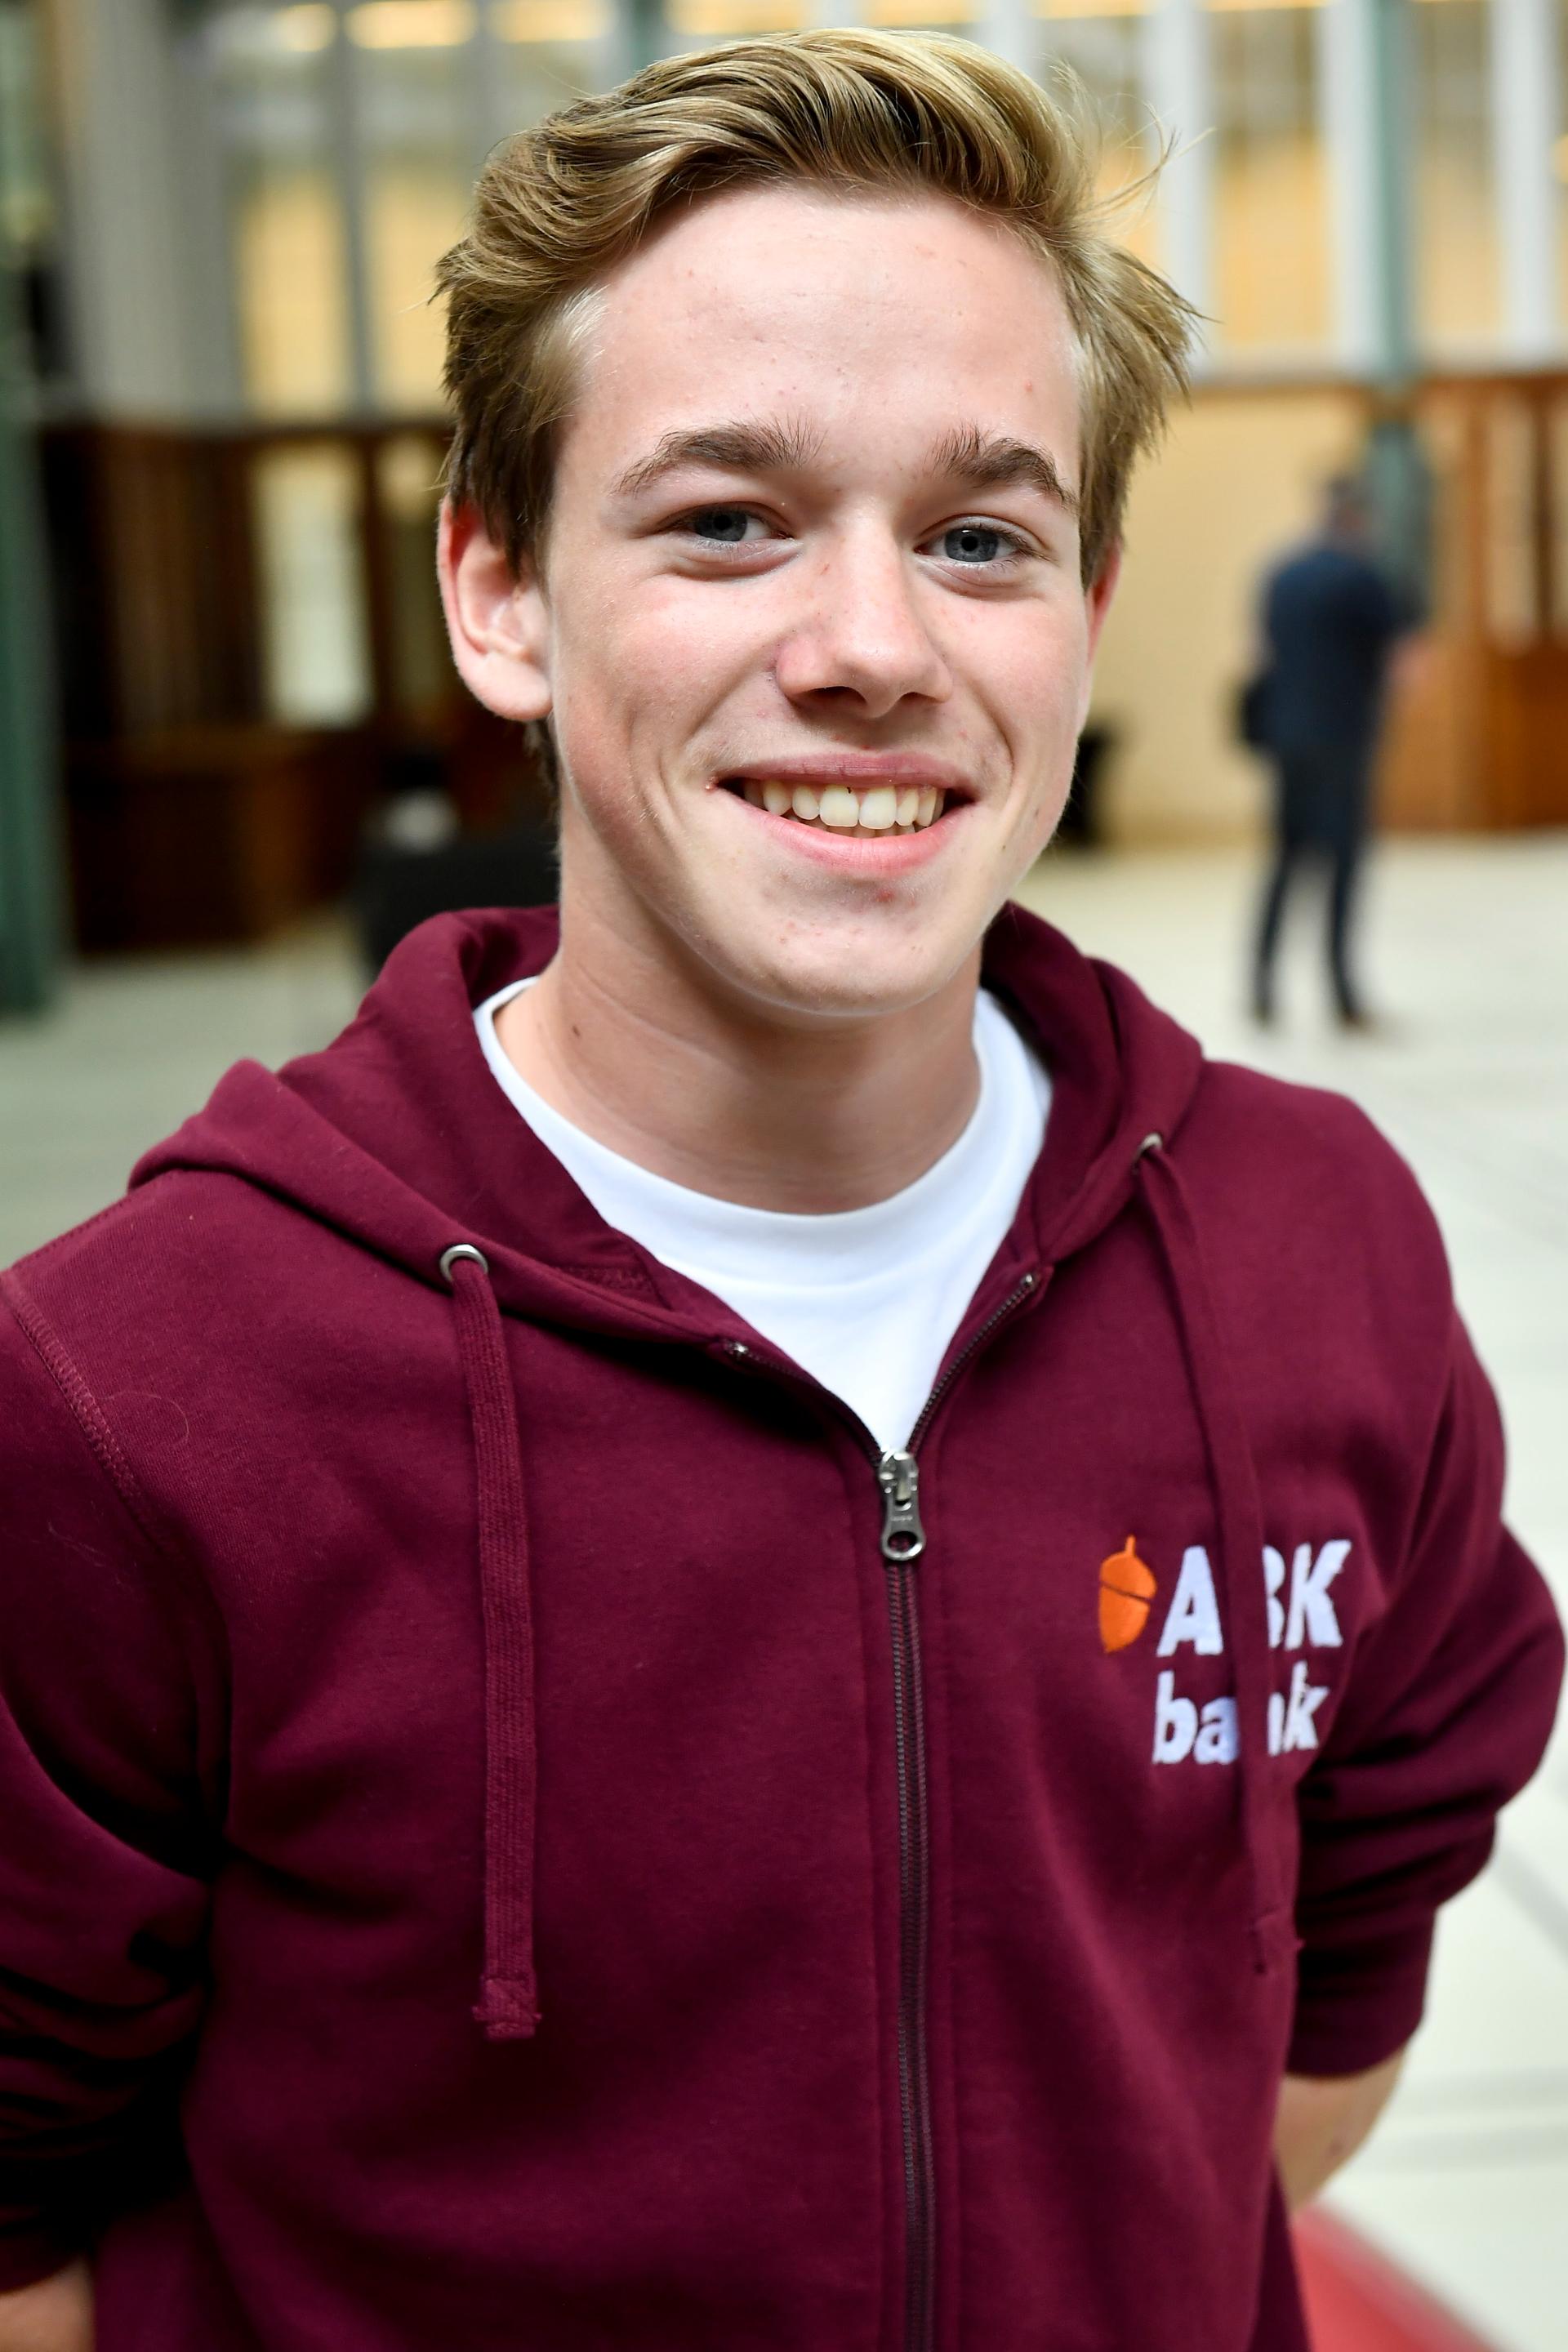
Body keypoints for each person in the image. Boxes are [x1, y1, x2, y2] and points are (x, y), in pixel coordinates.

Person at [0, 34, 1558, 2352]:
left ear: (1087, 603)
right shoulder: (138, 1388)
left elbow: (1325, 2004)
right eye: (729, 521)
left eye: (979, 538)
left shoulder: (1311, 1255)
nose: (871, 650)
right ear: (500, 594)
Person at [1250, 474, 1406, 1029]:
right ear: (1359, 517)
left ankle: (1262, 986)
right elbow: (1394, 660)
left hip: (1287, 734)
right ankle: (1343, 993)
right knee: (1343, 864)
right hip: (1343, 736)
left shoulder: (1282, 573)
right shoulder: (1364, 578)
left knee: (1285, 857)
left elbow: (1264, 648)